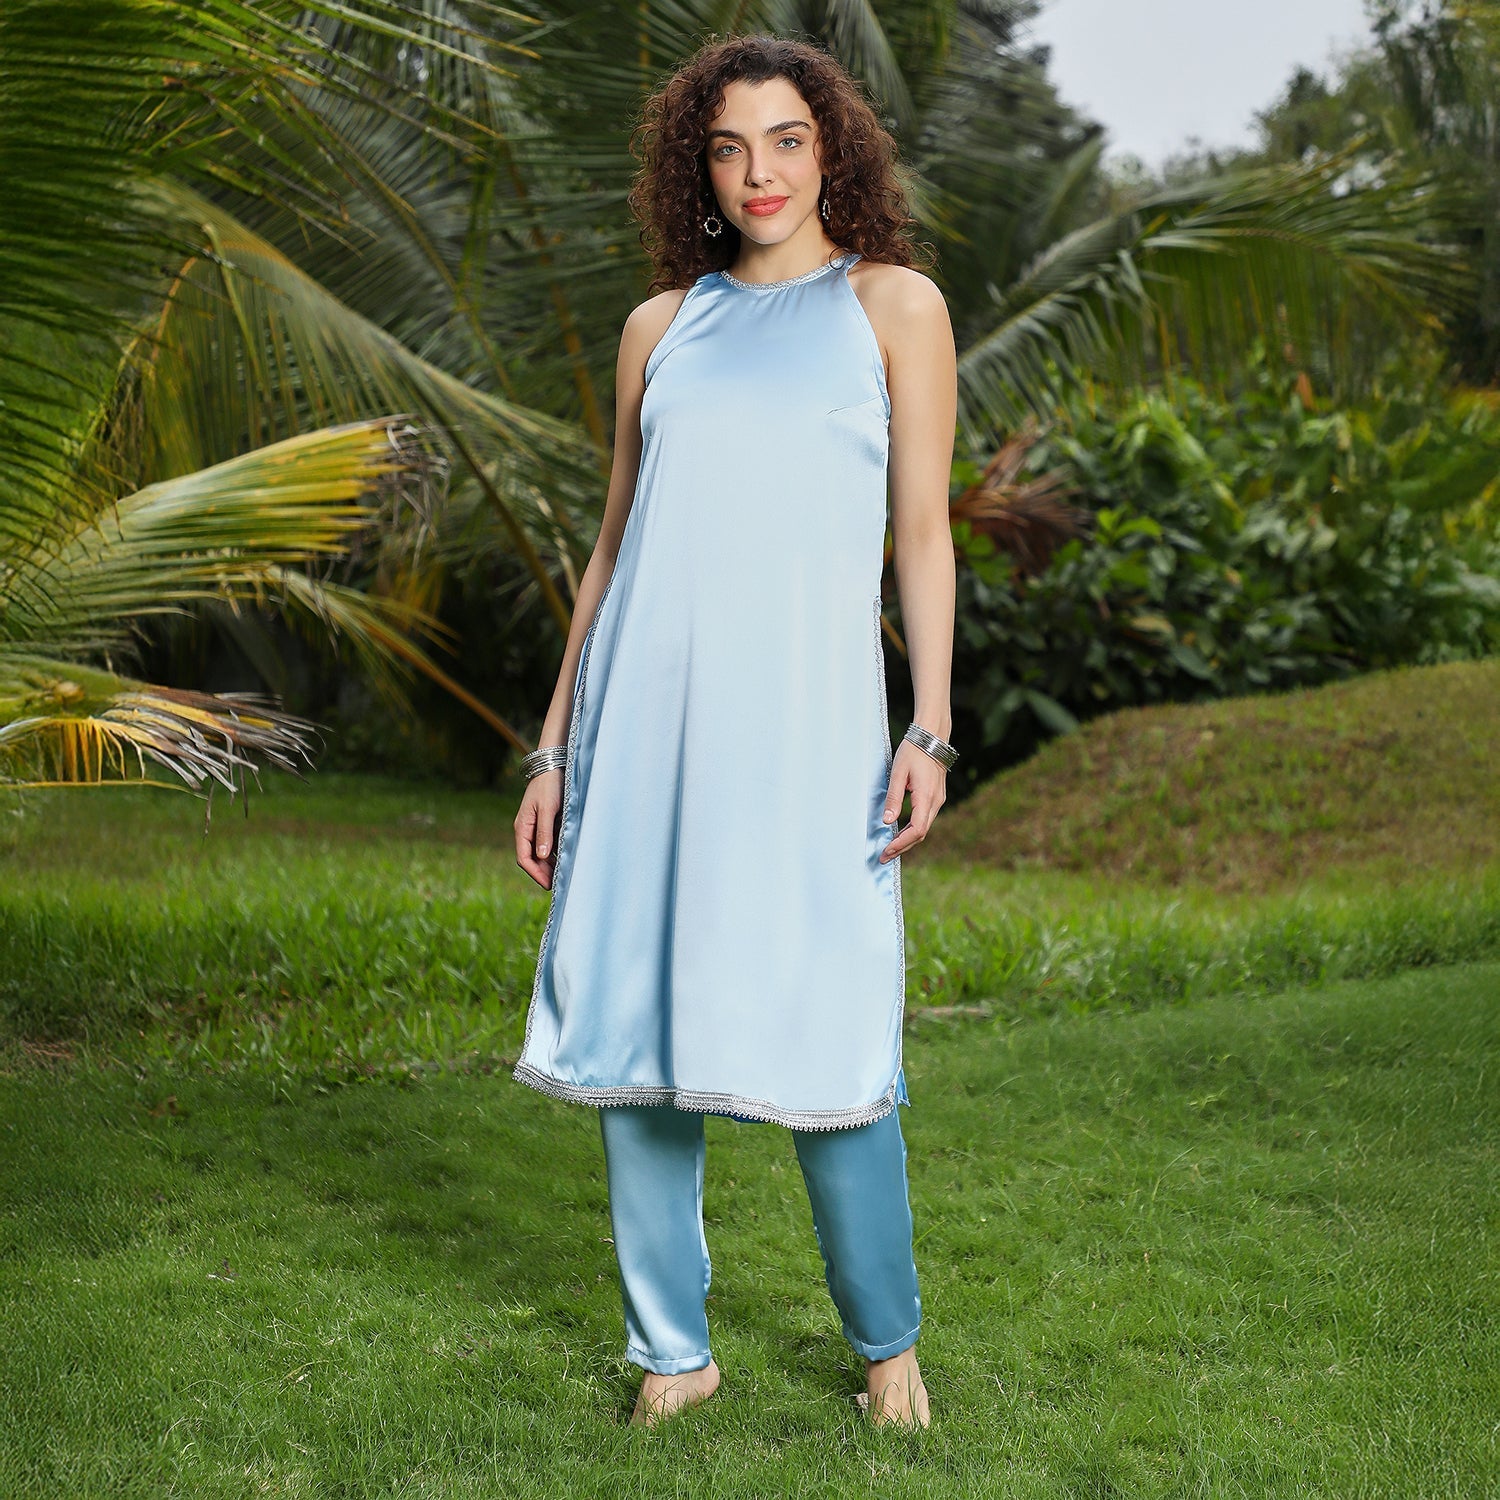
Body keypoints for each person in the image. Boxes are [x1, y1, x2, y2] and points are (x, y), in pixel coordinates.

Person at [511, 32, 958, 1430]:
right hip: (645, 730)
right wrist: (553, 745)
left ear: (832, 151)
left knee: (833, 1023)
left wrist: (931, 729)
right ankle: (673, 1354)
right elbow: (613, 549)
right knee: (641, 1031)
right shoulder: (663, 329)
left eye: (785, 139)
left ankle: (888, 1349)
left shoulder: (893, 307)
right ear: (694, 169)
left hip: (810, 734)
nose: (758, 171)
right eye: (727, 147)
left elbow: (924, 537)